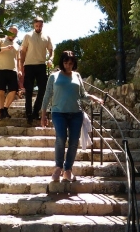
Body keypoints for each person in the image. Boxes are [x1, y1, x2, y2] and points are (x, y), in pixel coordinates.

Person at [41, 50, 104, 182]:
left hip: (76, 113)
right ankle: (58, 167)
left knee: (74, 142)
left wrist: (93, 97)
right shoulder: (54, 76)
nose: (68, 65)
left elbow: (82, 95)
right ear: (62, 62)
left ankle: (68, 169)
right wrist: (43, 114)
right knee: (61, 138)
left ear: (73, 63)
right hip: (58, 113)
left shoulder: (77, 76)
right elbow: (47, 95)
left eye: (71, 63)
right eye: (66, 62)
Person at [20, 16, 53, 124]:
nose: (38, 27)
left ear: (42, 25)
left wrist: (50, 59)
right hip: (29, 66)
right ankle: (29, 114)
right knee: (28, 91)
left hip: (41, 66)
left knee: (43, 90)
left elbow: (51, 50)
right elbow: (23, 51)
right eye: (36, 26)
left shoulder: (47, 37)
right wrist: (21, 67)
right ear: (34, 25)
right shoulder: (28, 36)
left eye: (40, 26)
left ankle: (35, 112)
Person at [0, 26, 21, 119]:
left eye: (15, 34)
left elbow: (18, 59)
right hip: (0, 68)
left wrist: (19, 70)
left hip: (12, 70)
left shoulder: (17, 45)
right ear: (8, 32)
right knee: (1, 90)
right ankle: (2, 111)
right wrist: (5, 48)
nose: (13, 35)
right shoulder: (0, 40)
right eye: (12, 33)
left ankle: (5, 108)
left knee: (14, 90)